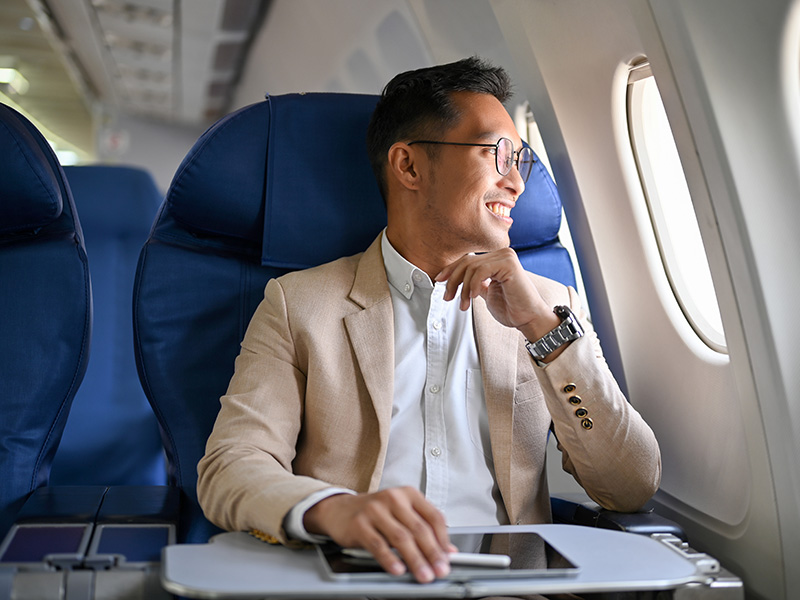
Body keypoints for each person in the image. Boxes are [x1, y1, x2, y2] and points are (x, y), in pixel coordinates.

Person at [197, 56, 661, 585]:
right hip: (354, 585)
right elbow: (230, 467)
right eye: (498, 155)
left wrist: (543, 331)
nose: (517, 183)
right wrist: (332, 509)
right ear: (409, 166)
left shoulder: (553, 306)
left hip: (504, 589)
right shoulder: (299, 304)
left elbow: (631, 486)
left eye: (521, 162)